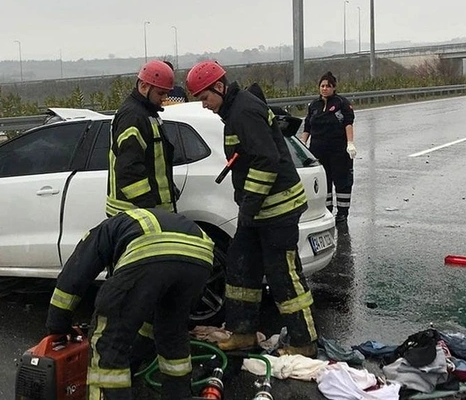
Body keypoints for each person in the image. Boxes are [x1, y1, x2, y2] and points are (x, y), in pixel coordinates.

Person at [185, 60, 318, 357]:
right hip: (257, 212)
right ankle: (242, 333)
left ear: (219, 87)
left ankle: (303, 342)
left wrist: (250, 204)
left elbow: (266, 160)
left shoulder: (244, 111)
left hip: (276, 211)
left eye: (205, 98)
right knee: (241, 269)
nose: (204, 105)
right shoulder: (233, 111)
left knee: (283, 275)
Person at [46, 208, 214, 400]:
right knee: (172, 332)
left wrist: (57, 326)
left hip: (151, 250)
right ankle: (179, 395)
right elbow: (142, 325)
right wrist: (131, 361)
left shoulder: (99, 233)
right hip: (202, 256)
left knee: (107, 338)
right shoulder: (131, 223)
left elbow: (72, 279)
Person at [106, 60, 177, 217]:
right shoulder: (133, 116)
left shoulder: (147, 113)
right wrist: (149, 207)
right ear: (144, 87)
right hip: (135, 214)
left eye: (166, 93)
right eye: (160, 93)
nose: (164, 98)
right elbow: (128, 170)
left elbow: (154, 162)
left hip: (142, 212)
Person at [301, 71, 356, 224]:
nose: (324, 89)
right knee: (324, 181)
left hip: (338, 150)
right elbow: (307, 126)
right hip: (318, 150)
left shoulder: (341, 103)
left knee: (342, 181)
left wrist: (350, 143)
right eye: (322, 86)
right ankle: (327, 210)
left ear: (334, 88)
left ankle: (343, 212)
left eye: (328, 86)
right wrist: (302, 144)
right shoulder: (314, 105)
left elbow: (348, 123)